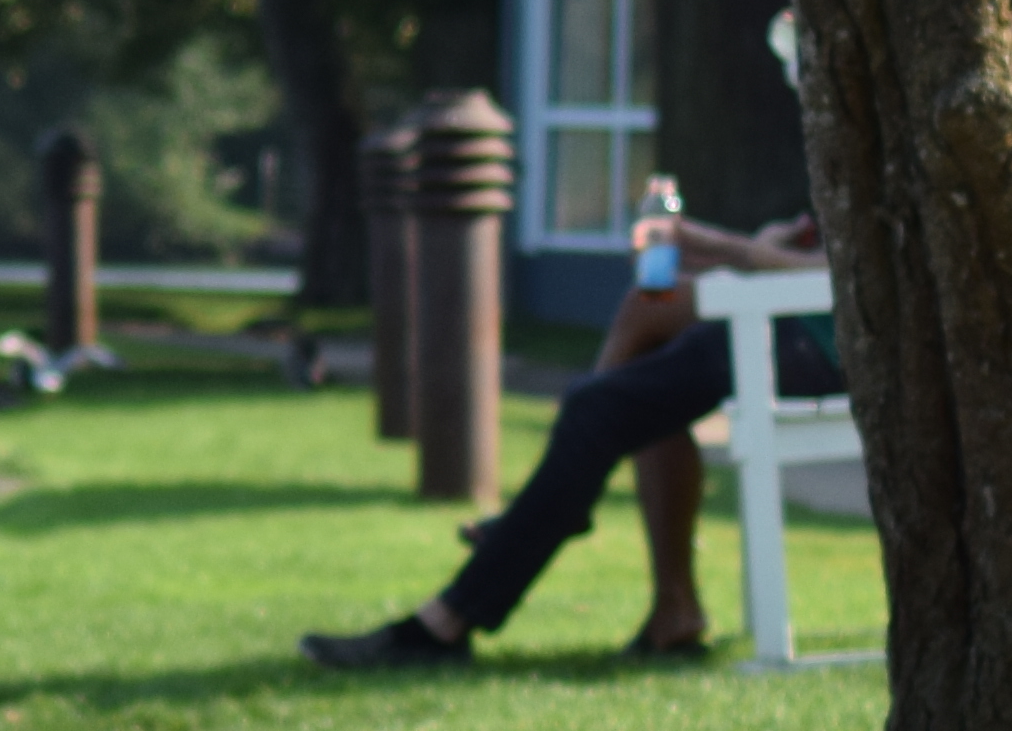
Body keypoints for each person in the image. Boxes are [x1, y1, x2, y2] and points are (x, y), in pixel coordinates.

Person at [304, 202, 828, 665]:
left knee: (596, 409)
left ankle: (450, 618)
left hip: (830, 343)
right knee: (641, 325)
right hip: (808, 321)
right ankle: (670, 605)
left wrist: (729, 249)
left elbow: (855, 269)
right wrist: (760, 247)